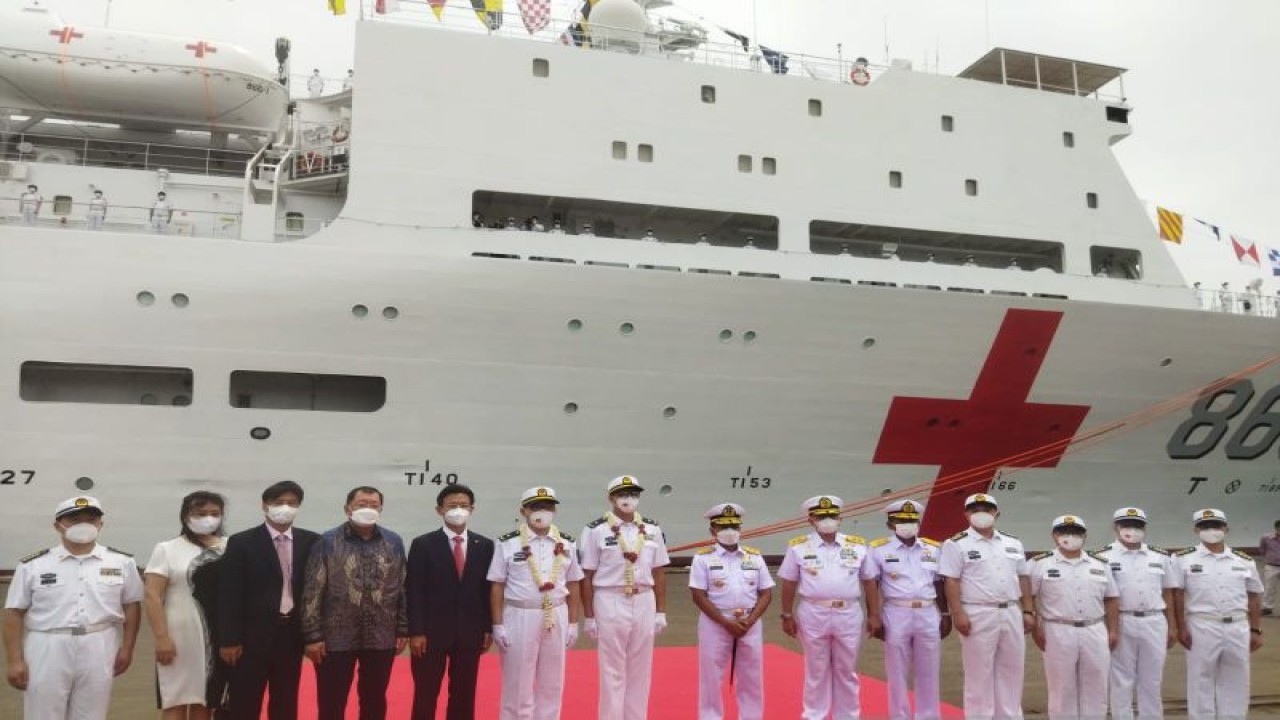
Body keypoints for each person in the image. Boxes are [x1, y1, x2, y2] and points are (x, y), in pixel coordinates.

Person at [3, 496, 143, 720]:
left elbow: (132, 606)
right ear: (58, 525)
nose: (84, 525)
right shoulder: (33, 565)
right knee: (43, 713)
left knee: (92, 713)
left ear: (101, 524)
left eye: (91, 519)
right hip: (48, 644)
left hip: (99, 642)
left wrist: (127, 648)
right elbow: (13, 612)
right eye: (75, 519)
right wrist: (14, 660)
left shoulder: (121, 562)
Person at [302, 486, 408, 720]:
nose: (368, 508)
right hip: (335, 637)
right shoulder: (327, 541)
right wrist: (312, 635)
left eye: (373, 504)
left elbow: (401, 587)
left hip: (381, 636)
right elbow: (312, 590)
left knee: (374, 699)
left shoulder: (393, 542)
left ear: (381, 508)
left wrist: (402, 629)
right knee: (332, 701)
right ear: (347, 509)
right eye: (361, 504)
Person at [218, 480, 319, 720]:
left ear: (299, 507)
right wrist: (229, 639)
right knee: (244, 701)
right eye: (278, 502)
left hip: (291, 635)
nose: (285, 507)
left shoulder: (311, 542)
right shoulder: (242, 542)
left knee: (285, 701)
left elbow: (316, 591)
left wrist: (314, 635)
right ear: (265, 506)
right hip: (250, 638)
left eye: (291, 503)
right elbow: (230, 593)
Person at [488, 486, 584, 720]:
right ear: (524, 511)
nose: (543, 512)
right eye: (537, 507)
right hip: (520, 615)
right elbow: (497, 585)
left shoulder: (567, 543)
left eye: (548, 507)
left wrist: (573, 622)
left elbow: (573, 584)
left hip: (556, 613)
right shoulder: (507, 544)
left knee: (552, 683)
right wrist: (497, 624)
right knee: (517, 682)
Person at [579, 475, 670, 720]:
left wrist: (661, 611)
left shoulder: (652, 529)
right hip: (610, 598)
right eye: (622, 494)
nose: (628, 499)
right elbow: (586, 574)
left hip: (643, 599)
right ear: (611, 498)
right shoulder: (595, 530)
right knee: (612, 669)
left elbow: (659, 570)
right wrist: (589, 616)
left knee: (641, 668)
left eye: (633, 494)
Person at [938, 493, 1033, 720]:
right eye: (975, 509)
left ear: (996, 513)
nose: (981, 513)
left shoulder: (1013, 543)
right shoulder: (956, 544)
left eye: (986, 509)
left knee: (1012, 671)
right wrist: (958, 612)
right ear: (966, 514)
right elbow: (951, 580)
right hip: (978, 612)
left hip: (1011, 610)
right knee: (979, 674)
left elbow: (1024, 578)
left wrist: (1028, 610)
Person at [407, 484, 495, 720]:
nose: (458, 510)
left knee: (464, 694)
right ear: (439, 510)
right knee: (426, 694)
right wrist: (415, 631)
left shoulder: (484, 546)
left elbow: (487, 591)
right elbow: (413, 589)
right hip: (430, 635)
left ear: (472, 509)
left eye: (463, 506)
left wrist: (488, 628)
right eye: (452, 506)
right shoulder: (423, 544)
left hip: (470, 632)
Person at [777, 495, 868, 720]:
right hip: (813, 611)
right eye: (822, 516)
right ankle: (813, 715)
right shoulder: (798, 546)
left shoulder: (857, 545)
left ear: (840, 518)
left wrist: (875, 614)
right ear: (811, 520)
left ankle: (847, 716)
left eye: (832, 515)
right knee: (816, 668)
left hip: (848, 611)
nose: (828, 519)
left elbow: (870, 580)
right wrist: (786, 614)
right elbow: (789, 582)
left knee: (846, 668)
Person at [144, 491, 228, 720]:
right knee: (176, 700)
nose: (208, 518)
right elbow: (152, 596)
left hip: (217, 637)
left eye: (214, 513)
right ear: (185, 516)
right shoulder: (167, 549)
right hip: (178, 635)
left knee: (206, 702)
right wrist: (162, 638)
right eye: (200, 513)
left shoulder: (230, 548)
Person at [1172, 509, 1264, 719]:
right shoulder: (1182, 559)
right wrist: (1180, 627)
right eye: (1205, 526)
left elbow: (1254, 595)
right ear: (1196, 529)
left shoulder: (1243, 560)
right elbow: (1177, 594)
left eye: (1216, 526)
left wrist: (1256, 628)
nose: (1211, 530)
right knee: (1200, 679)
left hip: (1238, 626)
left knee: (1237, 678)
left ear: (1226, 529)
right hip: (1202, 625)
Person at [862, 499, 949, 720]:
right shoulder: (878, 549)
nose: (907, 524)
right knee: (897, 670)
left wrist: (945, 614)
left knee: (929, 669)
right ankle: (899, 715)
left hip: (928, 612)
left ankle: (928, 715)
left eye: (911, 520)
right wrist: (874, 616)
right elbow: (872, 583)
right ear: (890, 524)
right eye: (901, 520)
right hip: (896, 611)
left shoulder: (933, 548)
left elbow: (940, 582)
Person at [1028, 515, 1119, 720]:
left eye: (1076, 532)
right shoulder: (1039, 563)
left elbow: (1112, 599)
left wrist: (1113, 630)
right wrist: (1035, 628)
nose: (1070, 536)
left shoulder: (1100, 564)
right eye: (1064, 532)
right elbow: (1028, 597)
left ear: (1085, 536)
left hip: (1094, 629)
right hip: (1058, 629)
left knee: (1097, 685)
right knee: (1061, 687)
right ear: (1054, 536)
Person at [689, 503, 773, 720]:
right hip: (715, 622)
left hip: (749, 622)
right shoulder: (703, 558)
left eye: (734, 526)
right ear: (712, 531)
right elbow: (698, 595)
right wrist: (725, 623)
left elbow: (766, 593)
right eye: (723, 526)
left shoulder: (754, 557)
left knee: (752, 677)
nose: (730, 531)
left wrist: (750, 621)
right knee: (711, 677)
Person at [1096, 506, 1177, 720]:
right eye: (1126, 525)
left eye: (1137, 525)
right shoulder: (1103, 557)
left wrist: (1173, 626)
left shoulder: (1160, 556)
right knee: (1121, 679)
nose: (1132, 529)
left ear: (1144, 528)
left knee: (1152, 678)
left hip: (1155, 620)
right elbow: (1102, 596)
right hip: (1122, 620)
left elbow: (1167, 592)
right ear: (1116, 527)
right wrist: (1109, 628)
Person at [1261, 519, 1280, 616]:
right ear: (1276, 528)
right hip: (1272, 566)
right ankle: (1267, 607)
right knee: (1269, 587)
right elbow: (1262, 549)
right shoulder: (1266, 538)